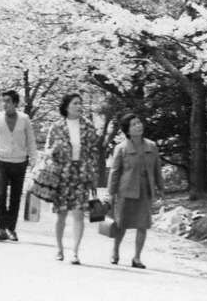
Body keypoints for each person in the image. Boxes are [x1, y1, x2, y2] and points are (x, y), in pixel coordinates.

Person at [44, 93, 99, 264]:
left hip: (81, 173)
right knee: (60, 213)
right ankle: (59, 249)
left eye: (80, 103)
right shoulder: (56, 127)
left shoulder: (88, 127)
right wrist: (54, 151)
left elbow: (93, 153)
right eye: (75, 103)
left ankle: (75, 252)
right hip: (61, 174)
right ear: (66, 106)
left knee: (79, 213)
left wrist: (93, 175)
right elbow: (47, 151)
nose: (79, 106)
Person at [108, 113, 164, 269]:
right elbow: (115, 172)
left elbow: (157, 169)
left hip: (145, 190)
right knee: (121, 224)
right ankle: (115, 251)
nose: (138, 126)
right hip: (126, 190)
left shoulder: (151, 146)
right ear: (127, 130)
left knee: (143, 225)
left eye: (139, 122)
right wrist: (111, 193)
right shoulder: (121, 148)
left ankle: (137, 257)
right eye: (134, 124)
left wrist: (161, 189)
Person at [0, 90, 37, 241]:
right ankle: (1, 228)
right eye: (3, 101)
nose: (5, 104)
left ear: (15, 103)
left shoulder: (25, 119)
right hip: (1, 161)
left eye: (8, 101)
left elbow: (31, 141)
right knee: (0, 195)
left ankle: (11, 229)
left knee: (15, 197)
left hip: (20, 162)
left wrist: (34, 160)